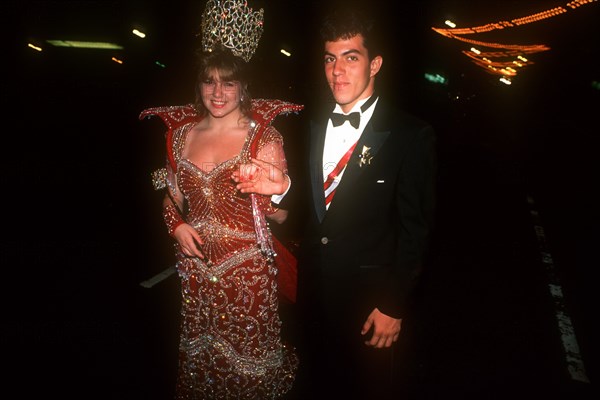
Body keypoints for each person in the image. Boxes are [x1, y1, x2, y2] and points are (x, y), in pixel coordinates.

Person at [234, 6, 437, 399]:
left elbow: (417, 231)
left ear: (374, 63)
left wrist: (394, 305)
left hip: (369, 305)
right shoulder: (311, 123)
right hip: (313, 297)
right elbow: (315, 219)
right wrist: (279, 191)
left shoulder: (411, 135)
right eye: (330, 59)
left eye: (351, 57)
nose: (338, 71)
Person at [139, 1, 303, 398]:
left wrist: (278, 189)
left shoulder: (264, 137)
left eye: (228, 82)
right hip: (195, 275)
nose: (217, 92)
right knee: (202, 367)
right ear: (198, 85)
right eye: (209, 81)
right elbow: (171, 197)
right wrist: (175, 227)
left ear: (244, 87)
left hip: (247, 275)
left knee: (249, 368)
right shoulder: (180, 136)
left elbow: (283, 218)